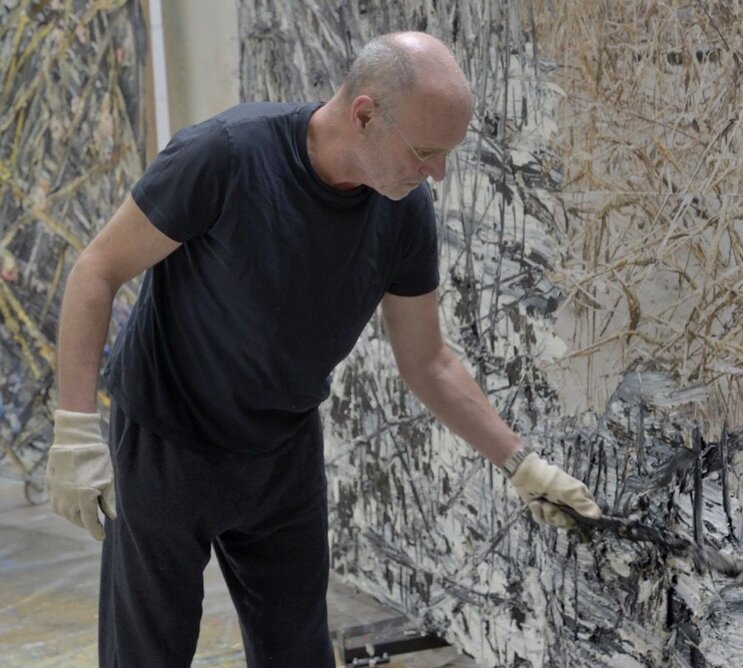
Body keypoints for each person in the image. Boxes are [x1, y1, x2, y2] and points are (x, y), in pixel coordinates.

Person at [43, 30, 600, 668]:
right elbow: (96, 270)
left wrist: (522, 463)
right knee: (148, 653)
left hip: (281, 450)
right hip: (169, 441)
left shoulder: (404, 211)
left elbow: (428, 362)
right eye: (427, 151)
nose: (438, 174)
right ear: (364, 114)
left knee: (298, 653)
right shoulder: (225, 156)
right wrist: (74, 432)